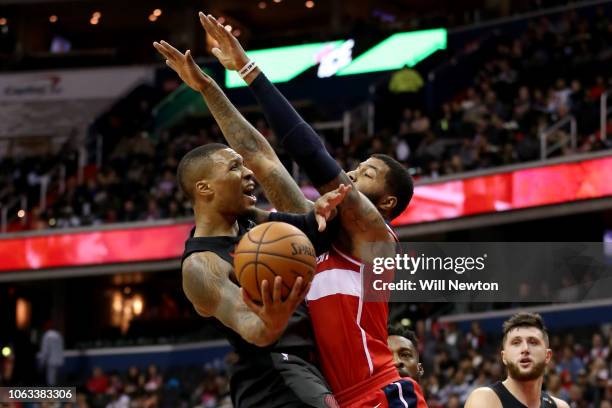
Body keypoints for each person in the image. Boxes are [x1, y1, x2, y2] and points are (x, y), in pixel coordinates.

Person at [154, 13, 420, 407]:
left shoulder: (375, 239)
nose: (348, 173)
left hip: (375, 392)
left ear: (384, 203)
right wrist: (208, 87)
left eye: (365, 174)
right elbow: (261, 159)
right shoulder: (310, 231)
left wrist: (249, 70)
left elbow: (310, 153)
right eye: (354, 167)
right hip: (328, 394)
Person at [173, 141, 349, 407]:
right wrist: (272, 320)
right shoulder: (200, 265)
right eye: (235, 167)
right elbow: (254, 330)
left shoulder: (250, 220)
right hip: (273, 379)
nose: (248, 173)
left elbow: (308, 229)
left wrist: (321, 210)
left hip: (305, 367)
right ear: (204, 188)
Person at [465, 312, 569, 408]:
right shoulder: (486, 398)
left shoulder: (560, 406)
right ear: (504, 357)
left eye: (533, 342)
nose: (525, 349)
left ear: (547, 356)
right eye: (516, 343)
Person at [37, 321, 64, 386]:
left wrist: (41, 362)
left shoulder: (47, 335)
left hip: (50, 361)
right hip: (59, 360)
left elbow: (45, 350)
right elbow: (61, 348)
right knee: (56, 379)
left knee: (51, 380)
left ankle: (51, 393)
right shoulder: (58, 335)